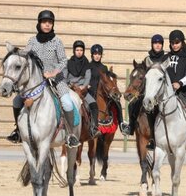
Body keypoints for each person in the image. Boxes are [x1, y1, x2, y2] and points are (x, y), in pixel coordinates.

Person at [6, 10, 80, 148]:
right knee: (16, 101)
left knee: (67, 103)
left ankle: (70, 135)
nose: (47, 25)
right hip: (36, 82)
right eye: (44, 22)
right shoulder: (32, 41)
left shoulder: (57, 41)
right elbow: (25, 56)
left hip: (56, 80)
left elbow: (64, 60)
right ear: (39, 24)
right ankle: (18, 131)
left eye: (50, 22)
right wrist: (14, 51)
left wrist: (53, 73)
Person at [120, 34, 167, 149]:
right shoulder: (148, 59)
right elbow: (144, 75)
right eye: (155, 43)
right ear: (152, 44)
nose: (157, 45)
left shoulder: (166, 59)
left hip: (161, 91)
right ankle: (130, 127)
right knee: (132, 104)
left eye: (159, 43)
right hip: (148, 91)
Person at [66, 40, 100, 138]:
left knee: (93, 104)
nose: (79, 52)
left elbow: (88, 77)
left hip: (82, 90)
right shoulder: (68, 63)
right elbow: (65, 77)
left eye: (81, 50)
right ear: (74, 51)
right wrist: (71, 85)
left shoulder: (86, 64)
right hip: (71, 89)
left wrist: (83, 86)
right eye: (77, 50)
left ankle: (94, 128)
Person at [88, 43, 124, 130]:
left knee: (117, 102)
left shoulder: (104, 67)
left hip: (104, 93)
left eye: (99, 54)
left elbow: (107, 80)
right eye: (95, 54)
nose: (97, 56)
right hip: (91, 91)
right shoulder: (88, 66)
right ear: (92, 55)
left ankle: (121, 123)